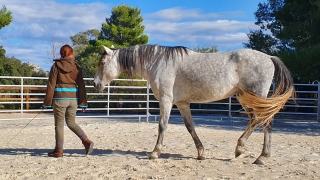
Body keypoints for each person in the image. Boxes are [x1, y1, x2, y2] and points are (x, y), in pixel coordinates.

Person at [43, 44, 94, 157]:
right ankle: (86, 141)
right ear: (71, 54)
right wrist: (83, 103)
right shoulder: (77, 67)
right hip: (73, 100)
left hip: (60, 99)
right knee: (71, 122)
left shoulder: (56, 66)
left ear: (61, 54)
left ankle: (59, 150)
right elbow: (81, 85)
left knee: (59, 125)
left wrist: (47, 102)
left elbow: (51, 85)